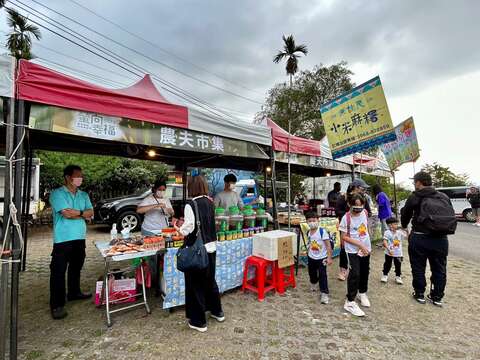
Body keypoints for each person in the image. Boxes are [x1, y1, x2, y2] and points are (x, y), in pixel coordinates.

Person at [175, 175, 223, 332]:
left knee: (195, 285)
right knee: (210, 281)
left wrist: (177, 227)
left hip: (197, 250)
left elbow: (188, 228)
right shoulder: (210, 201)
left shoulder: (191, 204)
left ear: (191, 187)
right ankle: (217, 312)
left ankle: (198, 321)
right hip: (211, 248)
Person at [49, 165, 93, 320]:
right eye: (77, 176)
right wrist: (83, 214)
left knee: (76, 267)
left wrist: (79, 213)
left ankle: (74, 292)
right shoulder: (57, 194)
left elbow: (91, 213)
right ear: (68, 177)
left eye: (81, 176)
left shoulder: (83, 195)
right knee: (58, 271)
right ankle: (57, 305)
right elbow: (66, 214)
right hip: (63, 238)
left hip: (79, 237)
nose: (80, 179)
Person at [401, 171, 452, 307]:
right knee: (439, 268)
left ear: (418, 182)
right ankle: (437, 296)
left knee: (418, 266)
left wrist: (404, 226)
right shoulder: (443, 196)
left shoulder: (415, 196)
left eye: (414, 181)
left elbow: (405, 213)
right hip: (441, 239)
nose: (414, 184)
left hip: (420, 237)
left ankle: (419, 294)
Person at [137, 180, 174, 294]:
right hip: (149, 230)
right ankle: (152, 281)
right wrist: (156, 205)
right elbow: (139, 210)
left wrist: (168, 210)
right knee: (152, 257)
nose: (162, 192)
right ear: (155, 189)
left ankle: (161, 279)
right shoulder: (148, 199)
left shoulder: (166, 199)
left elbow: (172, 213)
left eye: (164, 190)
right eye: (160, 189)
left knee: (162, 256)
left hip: (163, 231)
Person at [339, 193, 371, 317]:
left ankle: (362, 292)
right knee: (355, 273)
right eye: (355, 206)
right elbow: (344, 237)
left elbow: (366, 229)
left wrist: (366, 245)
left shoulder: (365, 213)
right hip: (352, 250)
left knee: (365, 271)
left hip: (365, 249)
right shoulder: (345, 218)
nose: (358, 208)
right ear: (349, 204)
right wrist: (359, 245)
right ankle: (350, 301)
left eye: (361, 205)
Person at [335, 178, 371, 281]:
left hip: (360, 229)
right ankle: (343, 269)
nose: (364, 190)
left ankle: (356, 268)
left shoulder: (363, 198)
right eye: (362, 188)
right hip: (346, 227)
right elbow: (337, 211)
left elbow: (367, 210)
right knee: (344, 248)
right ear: (354, 188)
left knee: (360, 249)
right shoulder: (343, 197)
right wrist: (350, 215)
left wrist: (361, 213)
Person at [305, 212, 333, 304]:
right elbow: (310, 243)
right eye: (310, 221)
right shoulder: (309, 232)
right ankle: (313, 282)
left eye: (314, 220)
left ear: (318, 220)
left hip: (322, 258)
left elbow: (328, 245)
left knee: (322, 275)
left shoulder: (322, 232)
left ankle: (324, 293)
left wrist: (329, 258)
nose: (312, 222)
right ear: (307, 222)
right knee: (312, 273)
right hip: (311, 257)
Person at [381, 217, 405, 285]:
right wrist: (388, 249)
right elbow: (385, 242)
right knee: (387, 264)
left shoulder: (399, 232)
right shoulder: (387, 232)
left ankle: (398, 276)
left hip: (398, 253)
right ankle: (385, 275)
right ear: (390, 225)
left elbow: (406, 237)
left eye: (397, 224)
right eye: (395, 224)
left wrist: (405, 230)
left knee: (398, 265)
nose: (397, 225)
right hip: (389, 253)